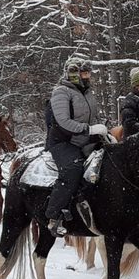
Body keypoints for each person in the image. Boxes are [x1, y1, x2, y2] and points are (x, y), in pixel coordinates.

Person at [44, 56, 105, 237]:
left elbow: (93, 117)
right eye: (84, 73)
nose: (88, 77)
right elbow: (63, 122)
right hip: (63, 141)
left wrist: (102, 128)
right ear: (74, 74)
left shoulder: (87, 93)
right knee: (73, 168)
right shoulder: (61, 92)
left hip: (85, 139)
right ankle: (54, 216)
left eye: (88, 73)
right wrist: (89, 129)